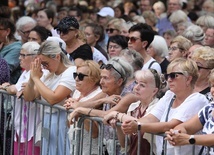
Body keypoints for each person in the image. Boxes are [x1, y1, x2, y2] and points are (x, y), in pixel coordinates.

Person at [106, 58, 209, 155]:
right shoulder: (169, 95)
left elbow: (170, 125)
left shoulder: (198, 99)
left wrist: (132, 123)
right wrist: (121, 117)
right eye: (167, 76)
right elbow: (150, 118)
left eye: (173, 76)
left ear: (188, 79)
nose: (169, 79)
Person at [66, 57, 134, 155]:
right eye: (101, 77)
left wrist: (80, 110)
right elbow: (85, 104)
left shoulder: (129, 96)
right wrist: (78, 106)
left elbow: (107, 114)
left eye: (105, 78)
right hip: (105, 149)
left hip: (123, 150)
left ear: (119, 81)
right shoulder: (105, 93)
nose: (101, 82)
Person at [23, 40, 76, 155]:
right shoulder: (48, 73)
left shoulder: (71, 71)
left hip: (62, 121)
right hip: (47, 120)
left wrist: (36, 79)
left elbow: (53, 98)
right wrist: (32, 78)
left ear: (57, 57)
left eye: (45, 63)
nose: (43, 67)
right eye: (41, 64)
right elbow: (28, 96)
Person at [103, 69, 163, 155]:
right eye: (136, 83)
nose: (136, 87)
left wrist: (116, 114)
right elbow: (125, 143)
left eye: (142, 85)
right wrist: (119, 125)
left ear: (154, 91)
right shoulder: (133, 107)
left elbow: (140, 123)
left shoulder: (158, 106)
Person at [0, 42, 42, 155]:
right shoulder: (25, 73)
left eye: (23, 55)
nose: (20, 58)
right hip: (20, 123)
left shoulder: (39, 73)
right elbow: (16, 89)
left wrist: (10, 87)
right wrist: (12, 88)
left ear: (35, 57)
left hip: (32, 124)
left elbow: (16, 90)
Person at [165, 69, 214, 154]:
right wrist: (176, 134)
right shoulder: (209, 109)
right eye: (213, 86)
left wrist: (189, 139)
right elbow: (185, 127)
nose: (213, 91)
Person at [66, 60, 102, 155]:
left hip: (90, 148)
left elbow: (94, 133)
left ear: (93, 79)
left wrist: (80, 111)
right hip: (75, 145)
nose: (76, 79)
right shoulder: (77, 92)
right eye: (75, 75)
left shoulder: (98, 94)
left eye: (81, 76)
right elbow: (70, 123)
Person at [0, 17, 22, 84]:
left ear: (7, 31)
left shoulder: (16, 48)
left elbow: (3, 72)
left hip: (8, 89)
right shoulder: (2, 44)